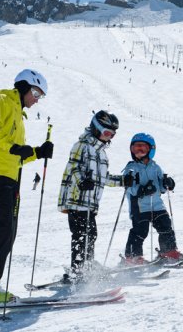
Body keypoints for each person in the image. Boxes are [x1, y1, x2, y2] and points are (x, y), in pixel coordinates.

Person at [0, 69, 54, 305]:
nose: (37, 99)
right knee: (1, 229)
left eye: (40, 96)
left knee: (8, 232)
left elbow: (16, 153)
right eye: (36, 92)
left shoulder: (19, 115)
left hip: (9, 175)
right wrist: (16, 148)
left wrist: (38, 152)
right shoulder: (2, 99)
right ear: (25, 86)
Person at [57, 110, 128, 279]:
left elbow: (103, 178)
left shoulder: (101, 153)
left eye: (112, 135)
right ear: (96, 129)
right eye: (106, 133)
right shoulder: (81, 146)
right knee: (81, 235)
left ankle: (87, 265)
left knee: (91, 234)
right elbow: (72, 166)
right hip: (76, 199)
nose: (109, 137)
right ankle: (78, 270)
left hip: (90, 204)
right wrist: (81, 181)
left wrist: (123, 181)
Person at [121, 133, 183, 264]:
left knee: (166, 226)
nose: (139, 151)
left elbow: (162, 188)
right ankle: (133, 256)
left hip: (157, 205)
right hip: (139, 206)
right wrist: (142, 190)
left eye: (143, 148)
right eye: (136, 148)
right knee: (140, 231)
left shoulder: (155, 167)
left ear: (151, 150)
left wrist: (168, 183)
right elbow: (130, 189)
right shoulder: (131, 168)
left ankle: (168, 251)